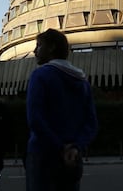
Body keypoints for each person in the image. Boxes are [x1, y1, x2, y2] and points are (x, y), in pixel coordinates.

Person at [25, 28, 98, 191]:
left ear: (51, 47)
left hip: (43, 155)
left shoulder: (40, 76)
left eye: (39, 45)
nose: (35, 50)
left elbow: (35, 119)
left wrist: (59, 147)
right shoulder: (82, 82)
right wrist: (74, 147)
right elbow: (91, 123)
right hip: (72, 158)